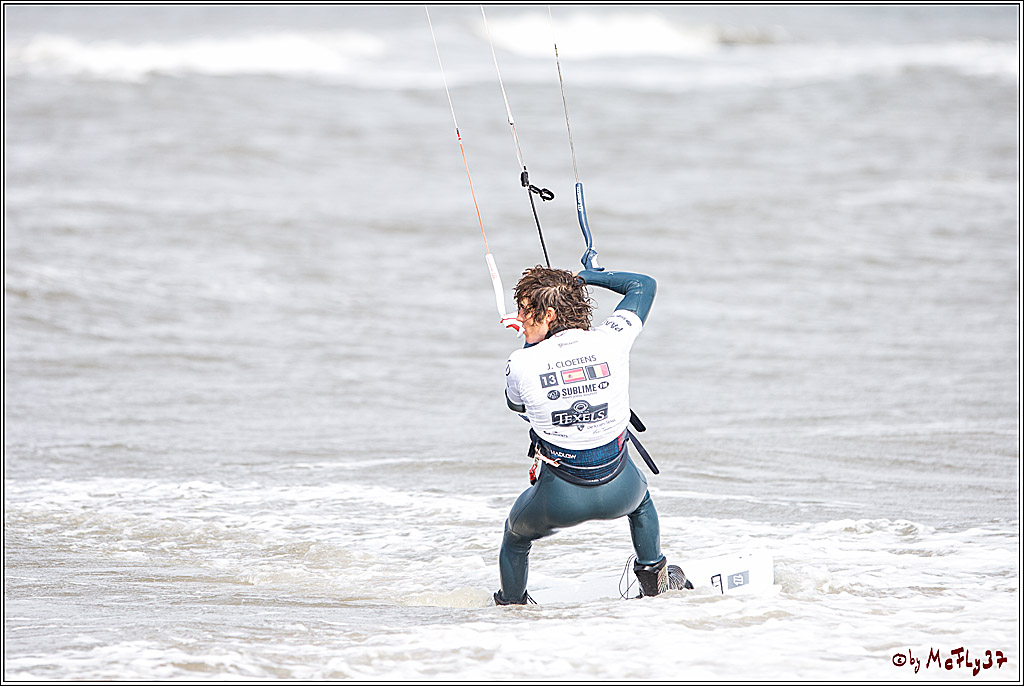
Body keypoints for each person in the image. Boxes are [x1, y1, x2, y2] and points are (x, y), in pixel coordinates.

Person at [494, 265, 691, 605]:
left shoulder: (520, 362)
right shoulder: (612, 338)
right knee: (642, 503)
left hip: (558, 501)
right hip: (622, 491)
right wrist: (587, 277)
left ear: (549, 314)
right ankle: (655, 583)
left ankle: (511, 607)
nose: (519, 318)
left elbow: (517, 405)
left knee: (515, 536)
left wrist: (531, 347)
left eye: (525, 310)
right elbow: (642, 285)